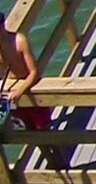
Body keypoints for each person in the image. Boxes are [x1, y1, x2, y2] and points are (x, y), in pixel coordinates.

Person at [1, 24, 59, 170]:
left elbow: (34, 73)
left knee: (44, 130)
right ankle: (51, 165)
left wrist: (19, 92)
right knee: (30, 132)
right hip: (11, 96)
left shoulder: (19, 41)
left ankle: (61, 163)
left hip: (28, 92)